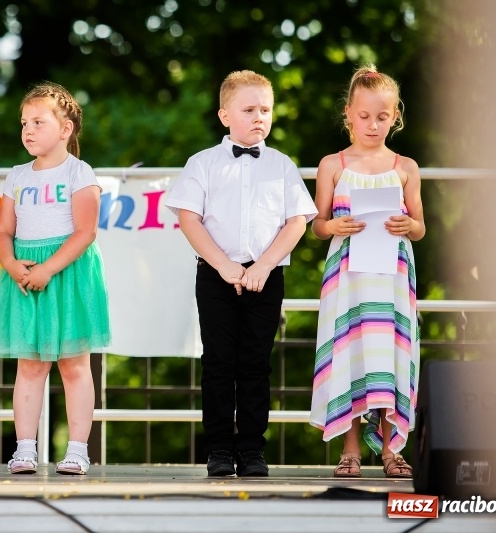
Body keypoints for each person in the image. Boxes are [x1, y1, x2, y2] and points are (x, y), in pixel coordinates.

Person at [165, 70, 317, 477]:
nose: (258, 117)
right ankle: (217, 448)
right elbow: (189, 218)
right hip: (216, 274)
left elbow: (297, 221)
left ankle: (252, 449)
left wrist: (264, 264)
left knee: (255, 363)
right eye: (248, 109)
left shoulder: (281, 166)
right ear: (224, 115)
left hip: (265, 279)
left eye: (265, 109)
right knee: (217, 362)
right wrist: (224, 265)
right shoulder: (203, 164)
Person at [309, 64, 424, 479]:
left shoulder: (406, 166)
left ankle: (392, 449)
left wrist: (407, 226)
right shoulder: (332, 164)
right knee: (351, 353)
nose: (372, 125)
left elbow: (420, 226)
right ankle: (351, 447)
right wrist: (334, 226)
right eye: (364, 116)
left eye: (382, 117)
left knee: (390, 354)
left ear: (395, 117)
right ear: (348, 115)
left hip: (391, 275)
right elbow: (318, 225)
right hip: (348, 276)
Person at [0, 82, 111, 476]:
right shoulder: (17, 176)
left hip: (66, 274)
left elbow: (85, 231)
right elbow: (3, 230)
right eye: (24, 122)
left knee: (75, 366)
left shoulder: (80, 172)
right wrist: (10, 263)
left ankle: (77, 450)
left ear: (66, 129)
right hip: (25, 275)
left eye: (38, 122)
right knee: (30, 366)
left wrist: (48, 268)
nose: (28, 129)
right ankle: (25, 447)